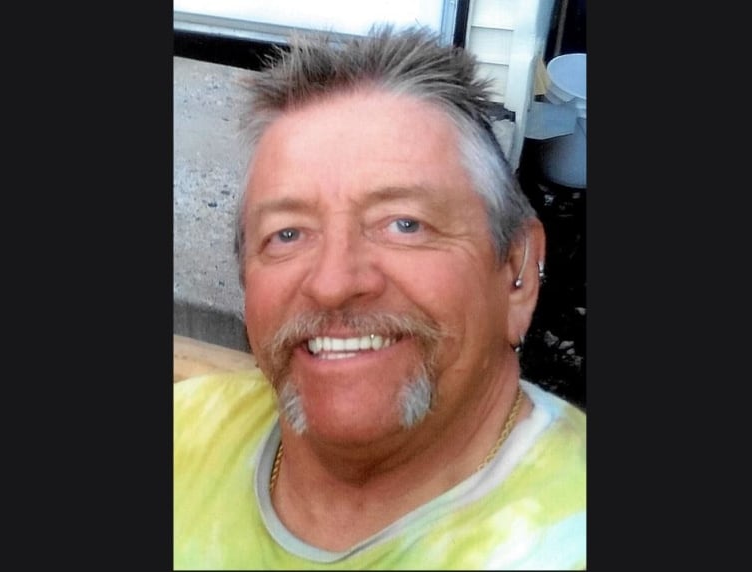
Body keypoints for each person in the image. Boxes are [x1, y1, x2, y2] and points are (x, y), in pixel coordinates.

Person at [173, 24, 586, 570]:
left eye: (404, 223)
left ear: (516, 272)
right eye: (288, 233)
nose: (333, 282)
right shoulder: (185, 432)